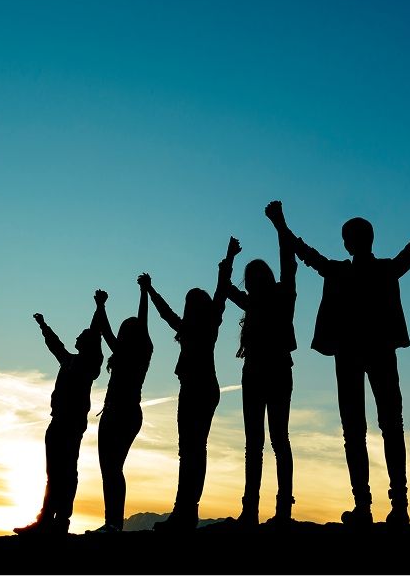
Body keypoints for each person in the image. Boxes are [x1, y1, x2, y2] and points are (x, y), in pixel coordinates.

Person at [269, 189, 410, 524]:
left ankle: (370, 506)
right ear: (368, 240)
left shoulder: (342, 271)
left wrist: (280, 224)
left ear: (348, 242)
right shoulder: (380, 270)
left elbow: (304, 253)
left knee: (361, 430)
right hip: (371, 353)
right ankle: (393, 505)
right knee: (386, 427)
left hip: (353, 354)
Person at [145, 238, 240, 531]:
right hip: (196, 389)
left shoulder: (206, 323)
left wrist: (228, 258)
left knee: (192, 450)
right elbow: (167, 312)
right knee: (191, 450)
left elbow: (221, 290)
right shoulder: (193, 326)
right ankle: (184, 511)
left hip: (199, 390)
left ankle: (185, 512)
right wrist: (150, 290)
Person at [223, 202, 297, 524]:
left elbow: (288, 261)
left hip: (270, 372)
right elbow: (226, 288)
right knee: (264, 441)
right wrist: (230, 258)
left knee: (267, 441)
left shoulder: (282, 295)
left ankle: (271, 510)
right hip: (262, 372)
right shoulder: (258, 301)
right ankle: (256, 510)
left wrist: (280, 224)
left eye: (252, 277)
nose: (250, 283)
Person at [13, 297, 104, 535]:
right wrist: (43, 325)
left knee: (66, 471)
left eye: (81, 336)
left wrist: (99, 307)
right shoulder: (68, 360)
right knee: (53, 473)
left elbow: (95, 331)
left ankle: (61, 520)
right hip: (57, 421)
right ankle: (45, 519)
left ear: (88, 343)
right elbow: (54, 344)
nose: (76, 338)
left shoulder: (91, 365)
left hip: (72, 424)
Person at [86, 276, 154, 534]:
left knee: (113, 469)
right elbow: (106, 330)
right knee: (109, 470)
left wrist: (143, 292)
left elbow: (139, 322)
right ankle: (111, 522)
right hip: (114, 413)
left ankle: (115, 523)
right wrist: (101, 305)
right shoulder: (124, 351)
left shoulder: (138, 352)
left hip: (123, 414)